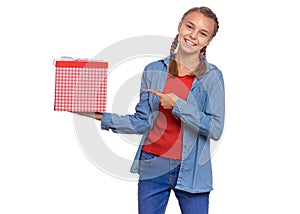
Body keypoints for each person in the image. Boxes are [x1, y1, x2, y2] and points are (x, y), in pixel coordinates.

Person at [75, 6, 225, 214]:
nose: (193, 36)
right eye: (189, 27)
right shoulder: (153, 70)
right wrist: (96, 115)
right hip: (152, 165)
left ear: (208, 41)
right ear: (180, 27)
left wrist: (178, 107)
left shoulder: (212, 77)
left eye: (203, 33)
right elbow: (142, 121)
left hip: (192, 171)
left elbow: (216, 129)